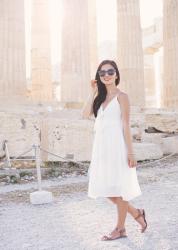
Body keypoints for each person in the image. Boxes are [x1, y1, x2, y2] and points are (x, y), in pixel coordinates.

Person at [82, 59, 147, 241]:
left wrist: (131, 152)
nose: (106, 75)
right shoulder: (99, 98)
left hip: (118, 147)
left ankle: (120, 228)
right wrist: (93, 91)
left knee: (121, 187)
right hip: (101, 149)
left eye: (110, 72)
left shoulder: (122, 96)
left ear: (116, 74)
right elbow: (85, 114)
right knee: (105, 188)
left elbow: (126, 125)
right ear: (98, 77)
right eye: (102, 73)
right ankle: (137, 213)